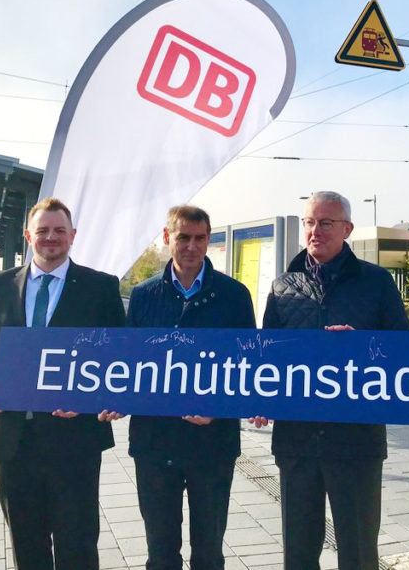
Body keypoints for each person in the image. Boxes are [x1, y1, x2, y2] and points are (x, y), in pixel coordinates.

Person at [0, 197, 125, 570]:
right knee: (27, 548)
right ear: (28, 235)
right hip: (12, 441)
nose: (51, 238)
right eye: (43, 230)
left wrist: (98, 399)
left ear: (73, 236)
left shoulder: (100, 289)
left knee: (77, 547)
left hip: (74, 441)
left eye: (60, 231)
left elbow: (121, 360)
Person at [253, 191, 409, 569]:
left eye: (325, 223)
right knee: (299, 552)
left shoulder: (377, 283)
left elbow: (404, 351)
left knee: (358, 553)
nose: (315, 231)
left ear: (347, 230)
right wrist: (260, 399)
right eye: (309, 222)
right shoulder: (282, 287)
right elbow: (266, 358)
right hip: (297, 442)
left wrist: (361, 345)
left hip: (356, 442)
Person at [126, 205, 256, 570]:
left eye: (200, 238)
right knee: (160, 555)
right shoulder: (143, 296)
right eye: (183, 237)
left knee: (209, 554)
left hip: (213, 446)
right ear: (167, 238)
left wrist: (220, 409)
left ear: (208, 240)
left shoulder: (234, 296)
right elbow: (129, 365)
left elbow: (248, 369)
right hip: (154, 445)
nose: (191, 246)